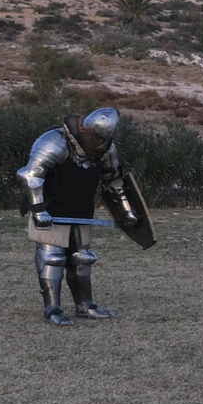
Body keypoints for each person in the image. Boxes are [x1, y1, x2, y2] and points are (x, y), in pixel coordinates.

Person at [16, 107, 140, 326]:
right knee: (52, 259)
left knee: (83, 258)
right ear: (90, 133)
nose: (101, 143)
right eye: (99, 138)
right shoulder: (55, 141)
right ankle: (52, 309)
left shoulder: (106, 149)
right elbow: (30, 175)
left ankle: (85, 306)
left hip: (82, 210)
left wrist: (127, 211)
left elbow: (114, 181)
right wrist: (39, 210)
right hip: (51, 208)